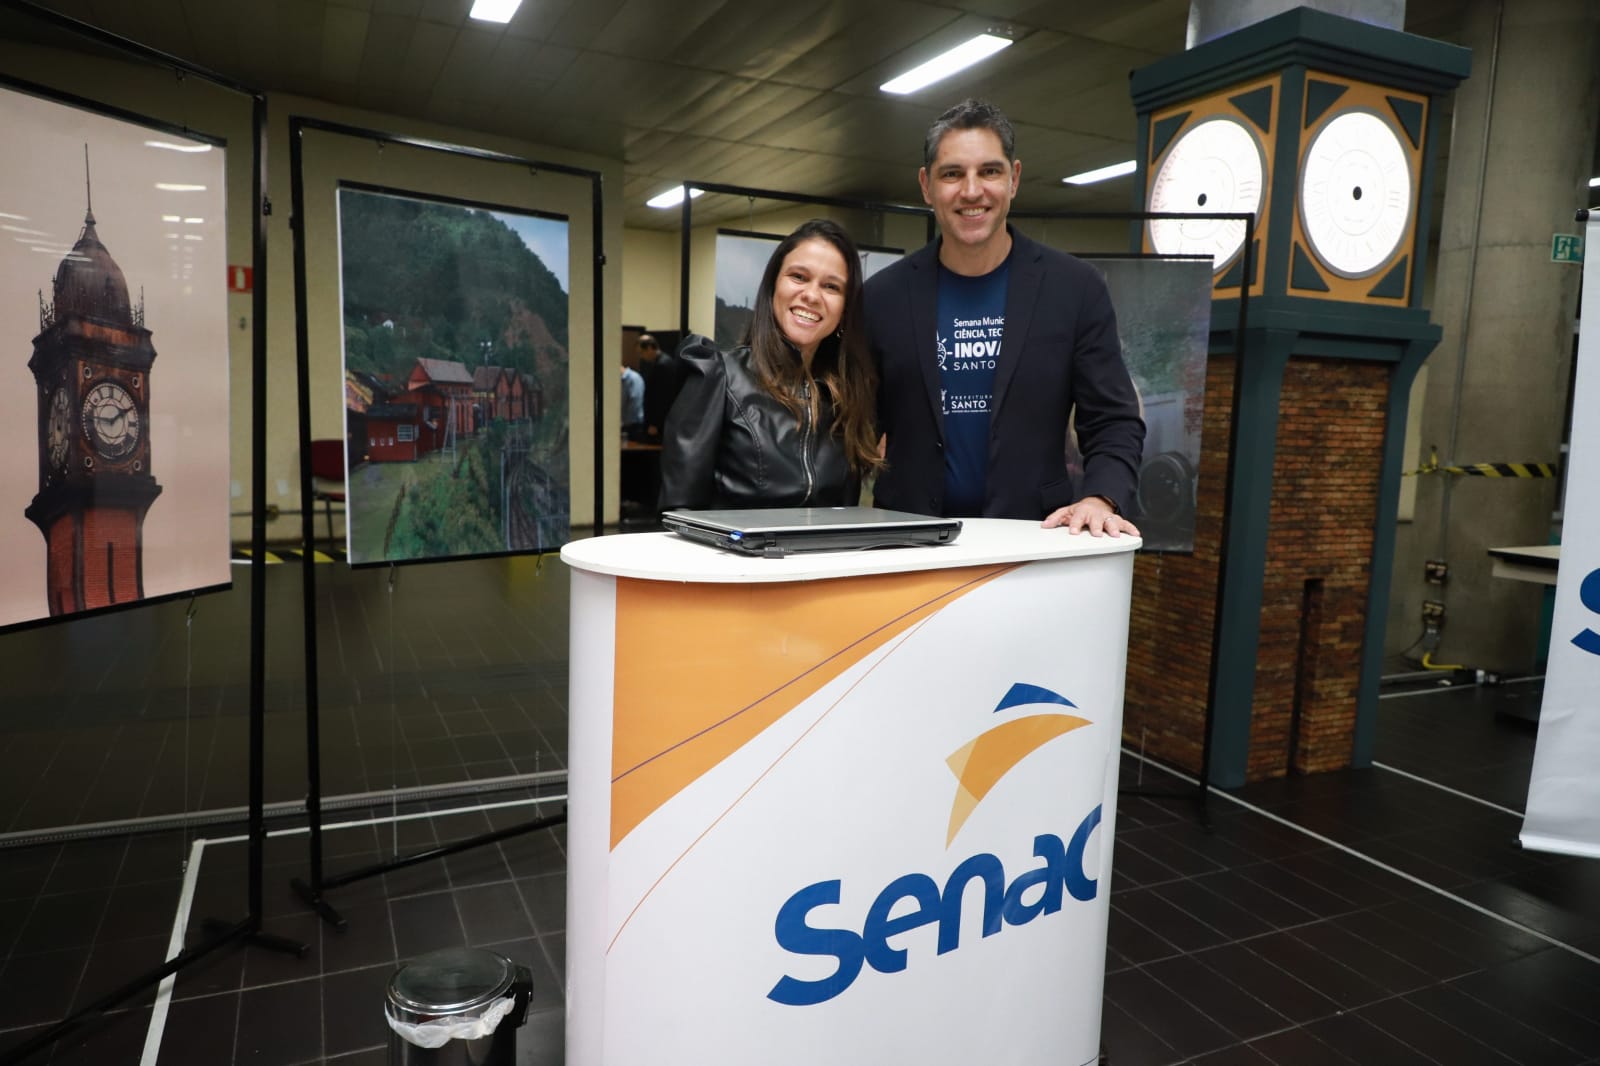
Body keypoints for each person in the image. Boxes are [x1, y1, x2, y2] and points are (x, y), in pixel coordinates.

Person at [864, 98, 1145, 537]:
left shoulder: (1075, 289)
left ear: (1013, 179)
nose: (971, 191)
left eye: (989, 171)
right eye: (952, 174)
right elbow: (850, 424)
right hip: (908, 541)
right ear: (926, 185)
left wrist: (1100, 497)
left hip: (1031, 539)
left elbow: (1113, 419)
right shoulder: (882, 297)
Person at [660, 218, 880, 510]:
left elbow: (843, 514)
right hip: (734, 542)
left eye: (831, 286)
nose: (812, 295)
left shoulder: (845, 396)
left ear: (845, 307)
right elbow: (679, 513)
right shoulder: (718, 377)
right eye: (799, 277)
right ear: (773, 285)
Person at [637, 333, 684, 441]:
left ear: (649, 348)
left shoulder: (662, 365)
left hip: (659, 423)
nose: (641, 356)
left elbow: (662, 398)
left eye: (641, 352)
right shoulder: (662, 362)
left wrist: (655, 423)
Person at [620, 361, 645, 439]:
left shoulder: (634, 378)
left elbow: (635, 402)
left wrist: (624, 422)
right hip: (625, 423)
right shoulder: (621, 380)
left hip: (634, 424)